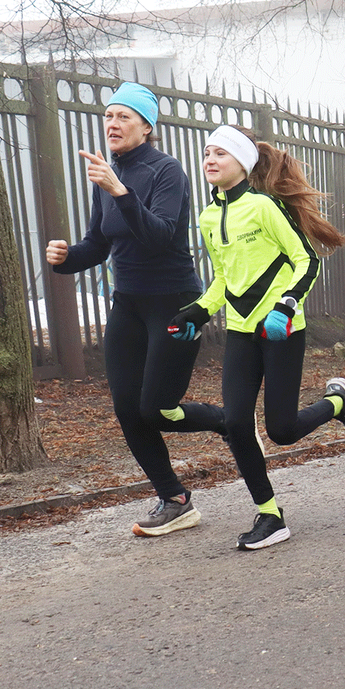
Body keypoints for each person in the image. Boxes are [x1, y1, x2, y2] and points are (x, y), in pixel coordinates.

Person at [165, 125, 345, 549]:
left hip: (280, 329)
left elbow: (305, 261)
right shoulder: (207, 216)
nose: (210, 159)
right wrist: (198, 311)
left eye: (221, 152)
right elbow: (224, 278)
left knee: (282, 430)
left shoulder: (264, 207)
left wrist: (285, 306)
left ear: (242, 162)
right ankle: (271, 515)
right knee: (237, 424)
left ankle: (337, 403)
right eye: (207, 153)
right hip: (241, 332)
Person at [45, 81, 224, 538]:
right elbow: (100, 244)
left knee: (156, 407)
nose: (113, 123)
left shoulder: (167, 172)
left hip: (174, 302)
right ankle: (175, 499)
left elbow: (161, 235)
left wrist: (120, 190)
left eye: (123, 116)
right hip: (127, 303)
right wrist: (68, 258)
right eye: (108, 116)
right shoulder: (108, 175)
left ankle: (232, 422)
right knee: (128, 408)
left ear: (147, 126)